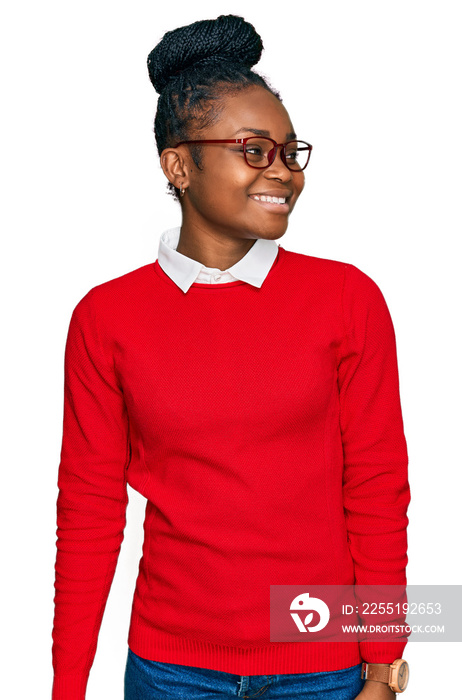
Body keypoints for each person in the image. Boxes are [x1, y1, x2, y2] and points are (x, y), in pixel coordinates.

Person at [51, 14, 411, 700]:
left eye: (288, 151)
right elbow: (91, 509)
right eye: (253, 150)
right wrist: (67, 687)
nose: (283, 173)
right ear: (179, 164)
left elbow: (377, 486)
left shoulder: (346, 298)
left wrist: (385, 666)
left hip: (323, 665)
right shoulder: (106, 318)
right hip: (169, 670)